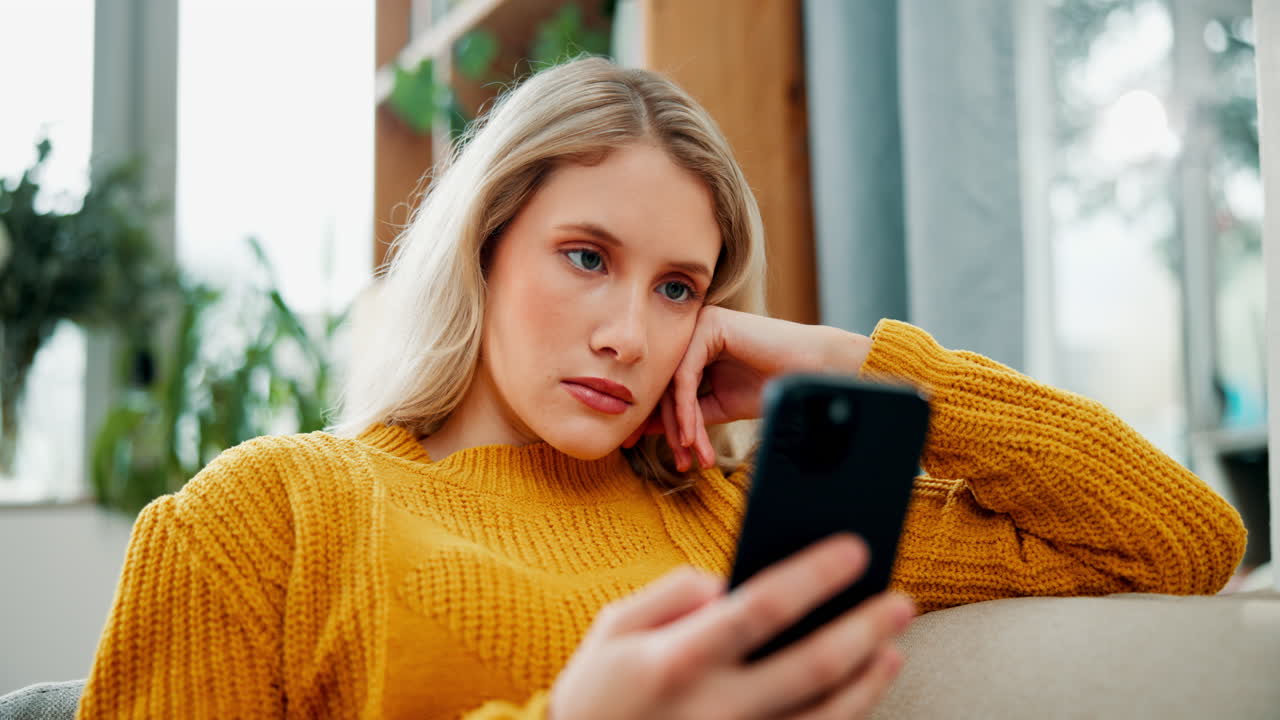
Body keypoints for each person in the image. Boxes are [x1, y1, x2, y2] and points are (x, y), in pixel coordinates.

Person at [75, 57, 1247, 720]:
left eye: (679, 288)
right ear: (483, 247)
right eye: (586, 258)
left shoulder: (744, 526)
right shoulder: (259, 519)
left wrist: (854, 361)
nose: (630, 334)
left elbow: (1176, 540)